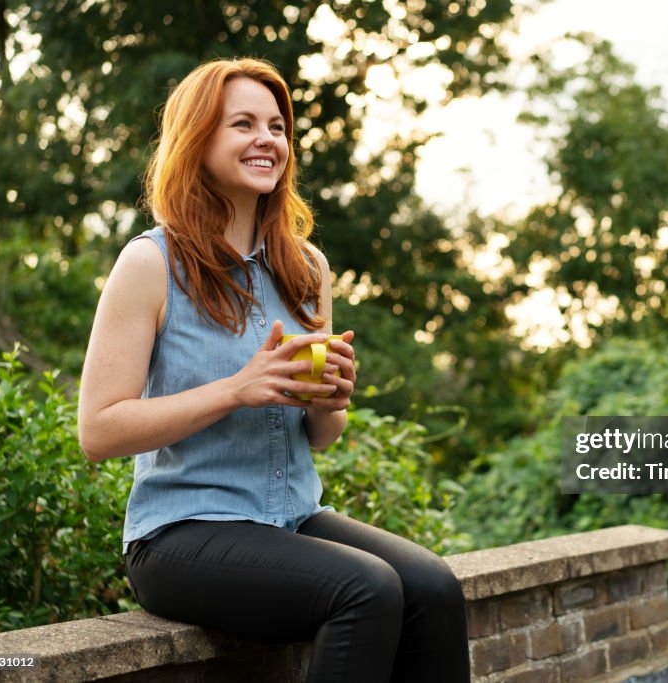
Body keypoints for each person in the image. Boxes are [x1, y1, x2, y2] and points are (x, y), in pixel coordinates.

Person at [77, 57, 469, 682]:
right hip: (180, 532)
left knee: (436, 588)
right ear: (198, 139)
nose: (268, 139)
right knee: (366, 589)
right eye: (243, 124)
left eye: (277, 126)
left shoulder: (306, 268)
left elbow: (320, 435)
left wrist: (330, 399)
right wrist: (236, 390)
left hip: (291, 518)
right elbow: (99, 431)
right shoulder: (150, 263)